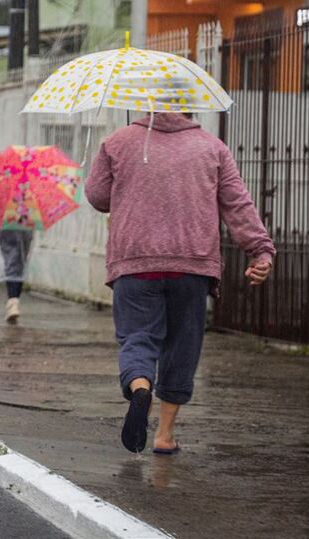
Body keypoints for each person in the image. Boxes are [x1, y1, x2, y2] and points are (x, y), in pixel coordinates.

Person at [84, 112, 274, 455]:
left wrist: (131, 177)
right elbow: (237, 204)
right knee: (182, 346)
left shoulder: (118, 141)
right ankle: (164, 436)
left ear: (148, 101)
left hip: (135, 261)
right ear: (192, 107)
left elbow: (97, 196)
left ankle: (140, 386)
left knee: (138, 337)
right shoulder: (212, 147)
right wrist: (260, 251)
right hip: (192, 264)